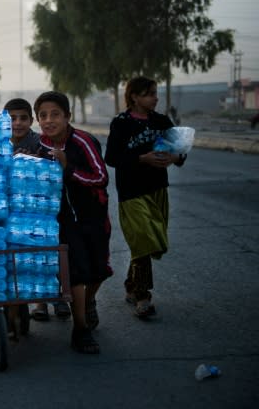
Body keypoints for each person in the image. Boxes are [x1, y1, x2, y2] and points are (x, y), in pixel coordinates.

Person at [34, 91, 111, 354]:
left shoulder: (83, 141)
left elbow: (100, 177)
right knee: (77, 271)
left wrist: (68, 168)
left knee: (99, 269)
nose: (49, 120)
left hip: (93, 215)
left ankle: (89, 302)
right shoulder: (41, 146)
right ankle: (80, 330)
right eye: (43, 115)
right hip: (63, 219)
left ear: (68, 116)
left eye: (55, 114)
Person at [104, 77, 187, 319]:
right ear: (134, 97)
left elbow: (180, 150)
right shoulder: (121, 124)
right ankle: (143, 297)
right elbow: (112, 158)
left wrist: (173, 158)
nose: (155, 97)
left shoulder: (161, 121)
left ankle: (131, 284)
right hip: (131, 192)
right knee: (144, 239)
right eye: (150, 93)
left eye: (155, 93)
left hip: (158, 189)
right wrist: (142, 159)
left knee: (149, 242)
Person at [4, 97, 71, 322]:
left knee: (47, 249)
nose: (18, 123)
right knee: (25, 254)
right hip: (12, 209)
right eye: (12, 118)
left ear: (31, 120)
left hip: (41, 209)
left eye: (23, 118)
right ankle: (38, 301)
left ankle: (58, 297)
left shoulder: (40, 142)